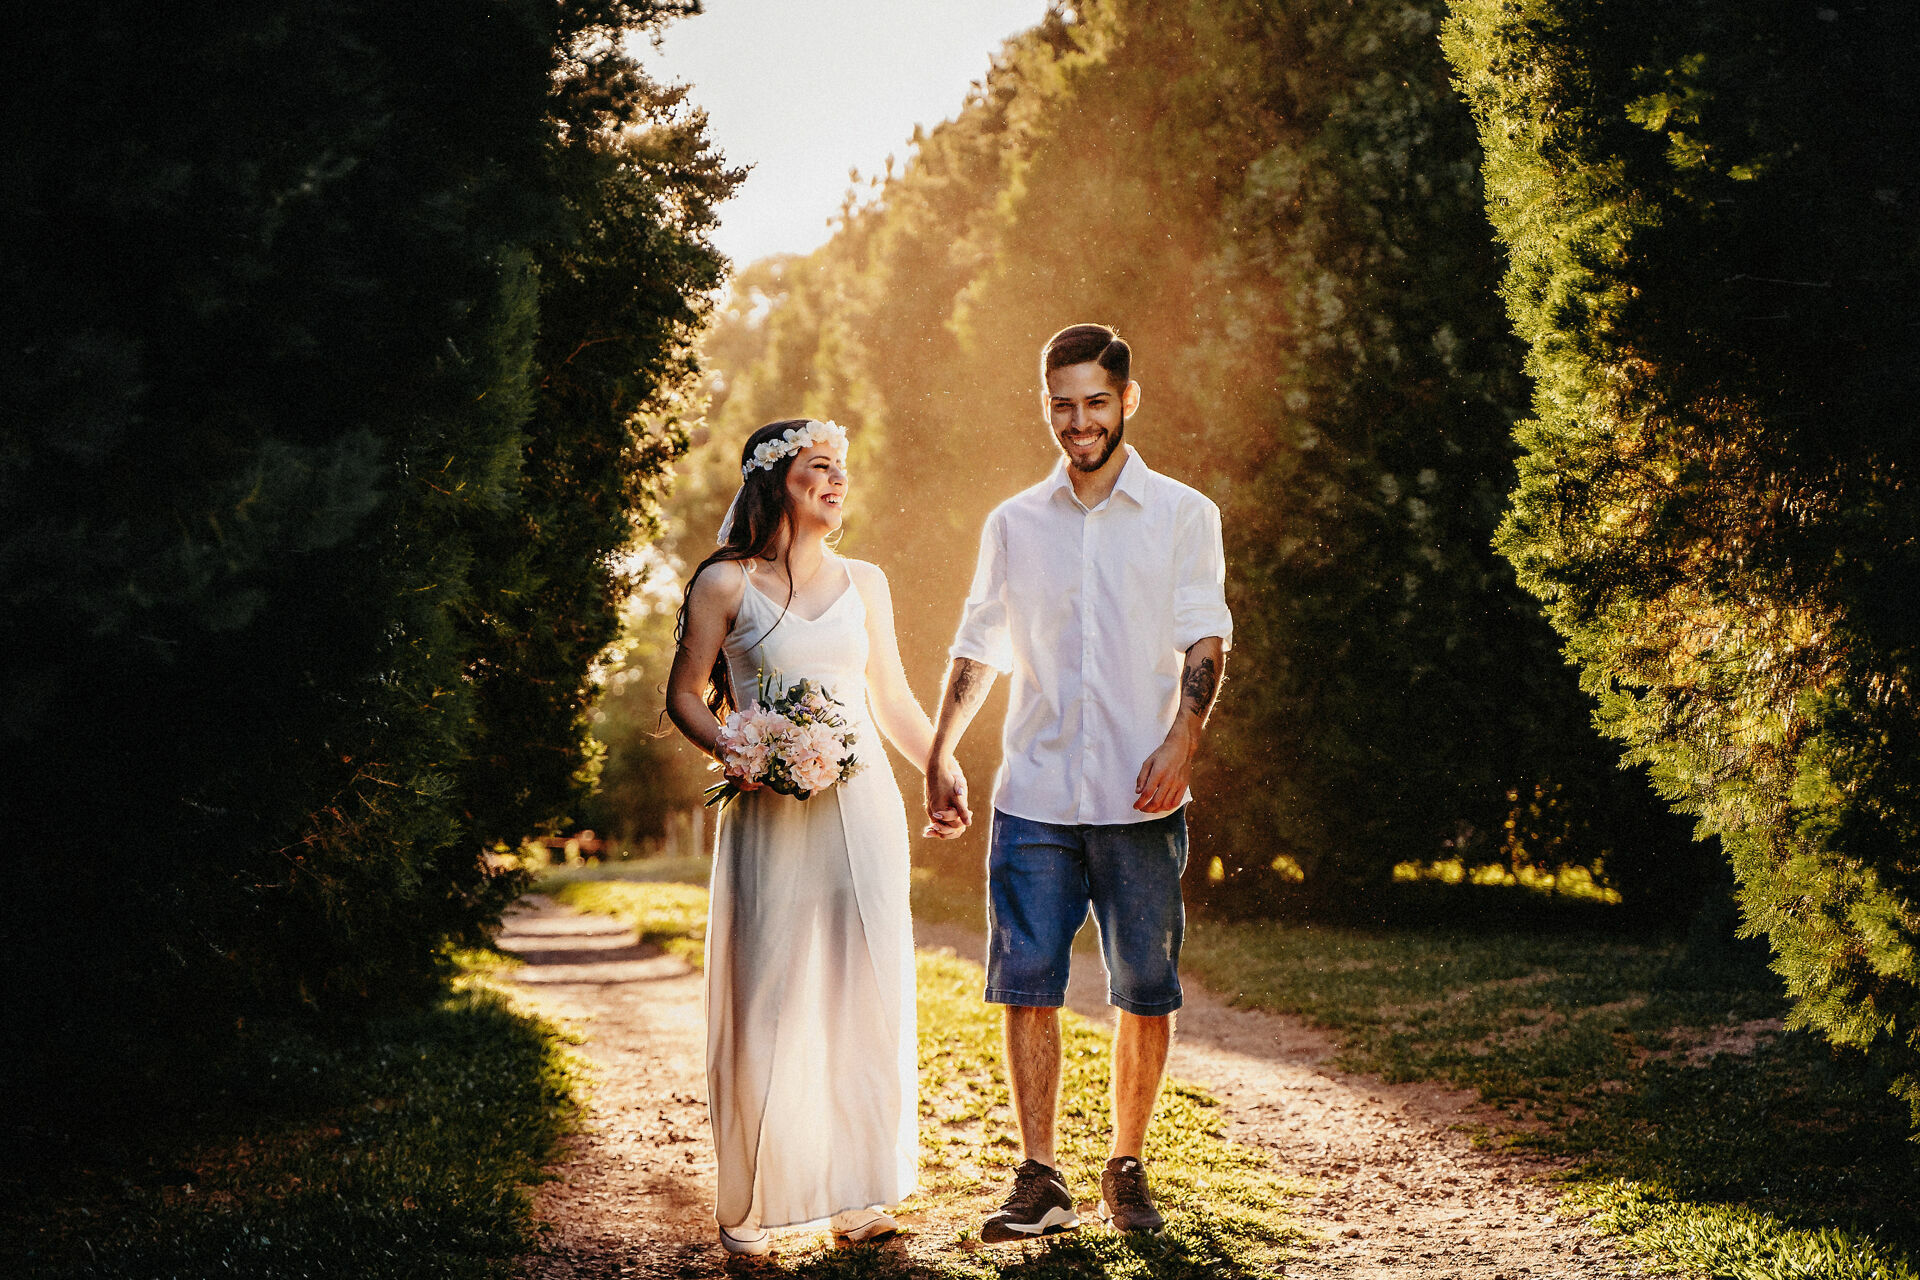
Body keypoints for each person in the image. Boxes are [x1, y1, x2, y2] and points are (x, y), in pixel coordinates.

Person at [924, 324, 1231, 1241]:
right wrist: (942, 748)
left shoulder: (1185, 513)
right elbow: (979, 641)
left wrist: (1185, 737)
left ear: (1128, 401)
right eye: (1062, 404)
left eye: (1096, 402)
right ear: (1045, 405)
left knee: (1144, 985)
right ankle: (1040, 1176)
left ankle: (1126, 1166)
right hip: (1036, 795)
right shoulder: (1014, 522)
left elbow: (1204, 634)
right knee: (1027, 983)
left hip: (1142, 793)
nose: (1079, 421)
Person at [668, 418, 960, 1256]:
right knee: (770, 987)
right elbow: (686, 693)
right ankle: (751, 1198)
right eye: (817, 469)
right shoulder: (727, 583)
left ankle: (858, 1194)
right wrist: (737, 750)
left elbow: (893, 699)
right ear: (774, 483)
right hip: (770, 809)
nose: (837, 481)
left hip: (864, 804)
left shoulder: (867, 581)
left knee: (862, 981)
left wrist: (940, 763)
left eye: (843, 469)